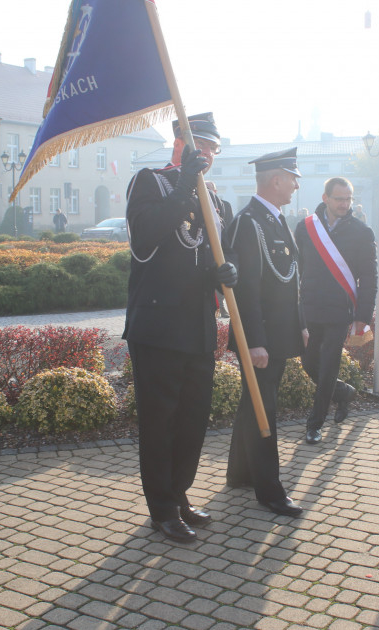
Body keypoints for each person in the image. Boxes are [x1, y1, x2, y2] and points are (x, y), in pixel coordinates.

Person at [123, 112, 237, 544]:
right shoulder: (150, 181)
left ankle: (179, 494)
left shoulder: (216, 200)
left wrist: (225, 275)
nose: (206, 154)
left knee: (193, 418)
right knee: (160, 420)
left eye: (212, 148)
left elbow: (210, 256)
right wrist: (185, 186)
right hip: (157, 324)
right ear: (179, 142)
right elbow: (145, 239)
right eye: (199, 145)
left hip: (197, 324)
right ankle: (162, 509)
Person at [224, 148, 306, 517]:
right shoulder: (249, 221)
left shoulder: (275, 219)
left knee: (253, 402)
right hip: (260, 337)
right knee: (263, 410)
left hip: (278, 333)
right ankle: (270, 491)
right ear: (276, 180)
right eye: (292, 178)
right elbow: (247, 290)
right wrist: (254, 340)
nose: (295, 184)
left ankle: (241, 473)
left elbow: (291, 280)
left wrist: (300, 324)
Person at [294, 177, 377, 444]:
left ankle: (314, 423)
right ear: (325, 198)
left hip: (340, 311)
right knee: (309, 364)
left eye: (348, 199)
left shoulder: (362, 232)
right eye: (339, 198)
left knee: (329, 366)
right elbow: (295, 269)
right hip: (310, 308)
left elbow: (370, 278)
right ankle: (343, 393)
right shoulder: (306, 228)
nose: (344, 204)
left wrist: (363, 317)